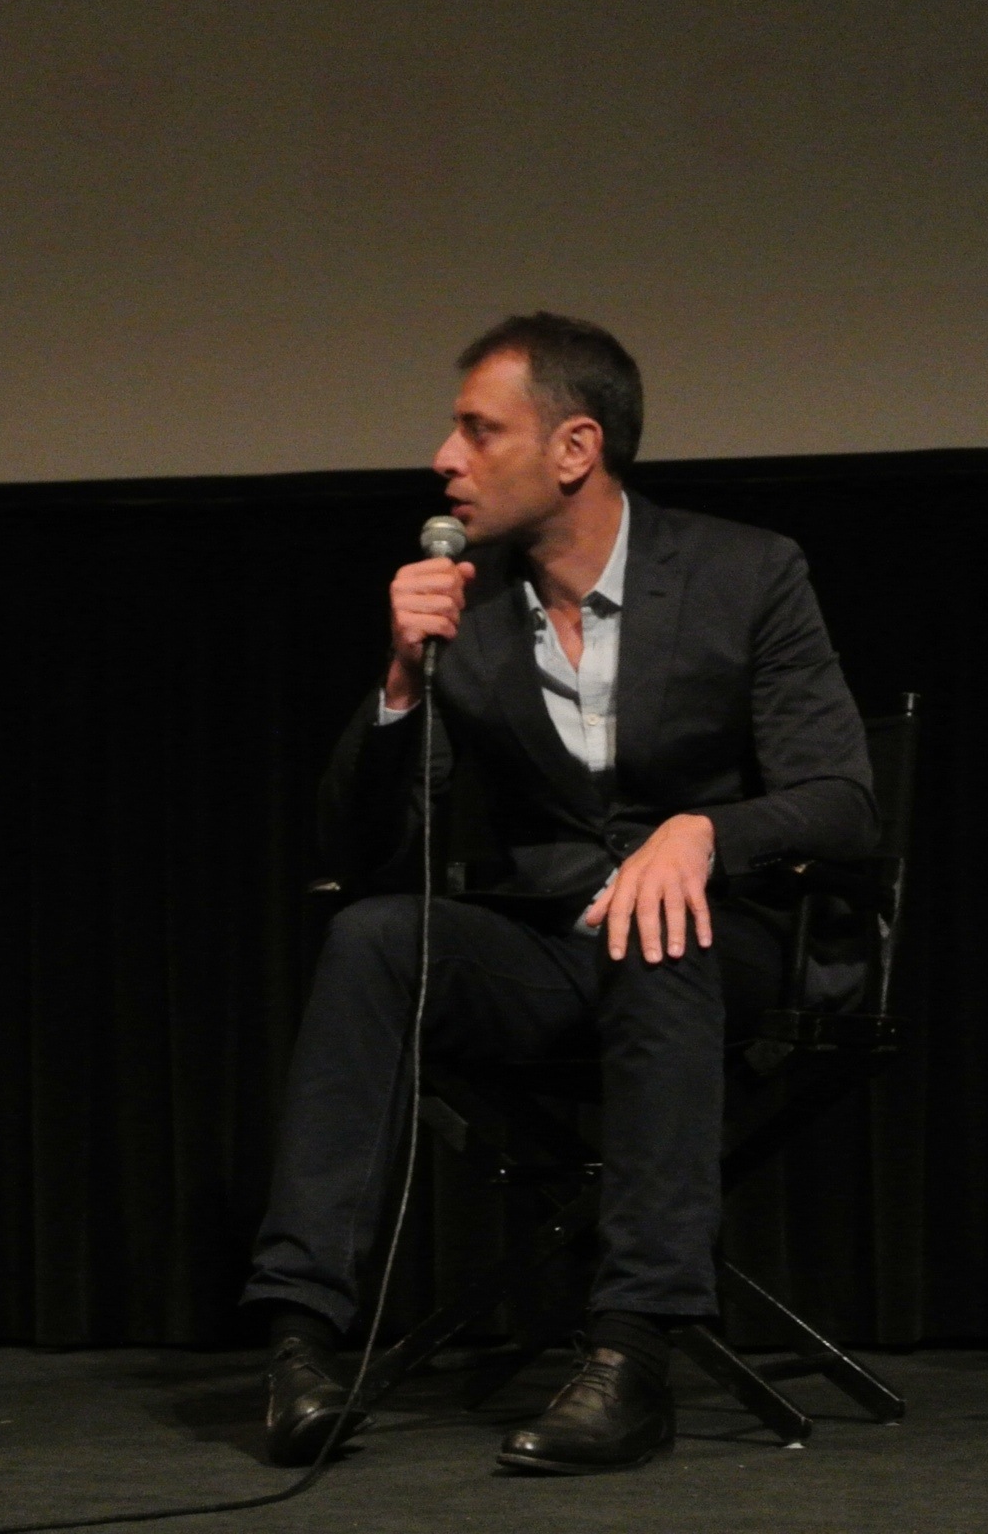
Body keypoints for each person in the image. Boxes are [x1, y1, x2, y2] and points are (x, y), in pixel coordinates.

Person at [244, 313, 876, 1474]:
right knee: (373, 938)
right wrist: (399, 682)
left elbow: (840, 797)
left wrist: (701, 833)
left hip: (719, 944)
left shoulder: (744, 572)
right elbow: (361, 847)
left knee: (658, 927)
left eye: (478, 431)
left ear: (574, 447)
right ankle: (300, 1343)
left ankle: (629, 1354)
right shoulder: (467, 608)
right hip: (545, 950)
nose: (444, 458)